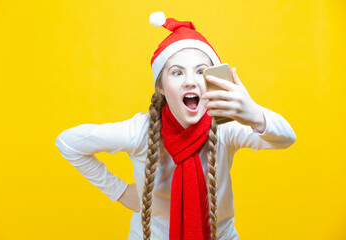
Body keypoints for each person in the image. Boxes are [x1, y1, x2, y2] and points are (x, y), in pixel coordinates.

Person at [55, 12, 296, 240]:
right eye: (177, 72)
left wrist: (255, 115)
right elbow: (67, 142)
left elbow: (286, 138)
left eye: (201, 71)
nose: (191, 81)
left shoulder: (225, 126)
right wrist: (118, 191)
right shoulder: (140, 131)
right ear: (160, 86)